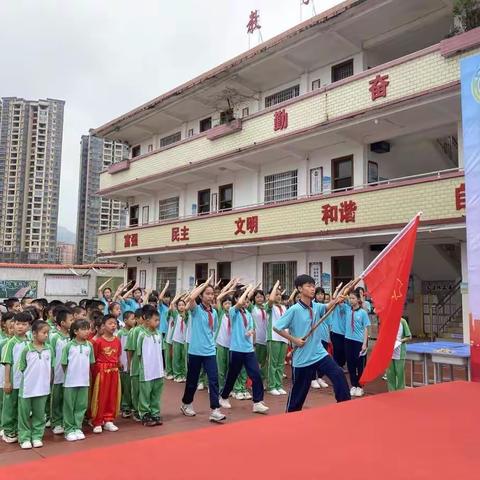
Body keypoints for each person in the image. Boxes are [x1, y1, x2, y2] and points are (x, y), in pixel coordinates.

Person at [273, 274, 351, 412]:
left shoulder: (315, 306)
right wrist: (295, 340)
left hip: (319, 353)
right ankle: (290, 417)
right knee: (299, 394)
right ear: (299, 289)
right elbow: (277, 327)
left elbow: (326, 307)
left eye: (313, 285)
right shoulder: (294, 310)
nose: (312, 288)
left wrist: (336, 300)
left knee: (338, 374)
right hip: (302, 358)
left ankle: (345, 407)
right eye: (309, 286)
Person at [180, 275, 226, 423]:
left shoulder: (214, 312)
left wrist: (213, 343)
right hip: (195, 351)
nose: (210, 296)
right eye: (207, 293)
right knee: (192, 381)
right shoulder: (196, 310)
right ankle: (186, 404)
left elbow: (213, 331)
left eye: (212, 294)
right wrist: (204, 283)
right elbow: (190, 299)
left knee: (213, 380)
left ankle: (215, 409)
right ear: (201, 295)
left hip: (210, 351)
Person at [219, 286, 269, 414]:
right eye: (244, 299)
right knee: (232, 375)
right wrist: (247, 290)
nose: (246, 302)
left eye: (248, 300)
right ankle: (224, 397)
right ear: (236, 299)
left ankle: (257, 402)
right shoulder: (233, 311)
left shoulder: (248, 313)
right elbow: (240, 303)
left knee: (256, 375)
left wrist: (251, 332)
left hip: (248, 350)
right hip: (236, 349)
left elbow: (252, 328)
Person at [17, 320, 53, 449]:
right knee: (24, 414)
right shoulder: (26, 350)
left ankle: (37, 436)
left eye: (48, 333)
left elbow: (51, 367)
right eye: (44, 333)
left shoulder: (49, 349)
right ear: (34, 334)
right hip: (27, 388)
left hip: (42, 388)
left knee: (40, 414)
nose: (46, 335)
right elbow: (22, 367)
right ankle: (24, 437)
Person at [62, 319, 95, 442]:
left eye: (88, 329)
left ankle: (77, 427)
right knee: (69, 406)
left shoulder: (89, 345)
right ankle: (69, 429)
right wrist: (70, 375)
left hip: (84, 381)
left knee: (81, 406)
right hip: (70, 382)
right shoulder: (69, 346)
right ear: (75, 331)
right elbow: (64, 364)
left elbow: (91, 363)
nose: (87, 332)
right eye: (84, 329)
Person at [1, 312, 30, 443]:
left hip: (26, 383)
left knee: (22, 408)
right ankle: (8, 430)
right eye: (18, 324)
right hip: (13, 381)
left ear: (29, 326)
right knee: (9, 406)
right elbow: (7, 363)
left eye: (24, 324)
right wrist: (7, 382)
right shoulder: (10, 343)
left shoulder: (30, 342)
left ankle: (19, 429)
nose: (20, 327)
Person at [90, 315, 121, 433]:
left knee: (112, 395)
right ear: (103, 326)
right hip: (102, 371)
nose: (113, 325)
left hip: (114, 371)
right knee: (100, 396)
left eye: (115, 323)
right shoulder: (98, 341)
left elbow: (117, 355)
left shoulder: (117, 340)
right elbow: (95, 358)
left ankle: (109, 419)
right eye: (110, 323)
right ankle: (97, 421)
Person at [136, 307, 164, 426]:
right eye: (155, 320)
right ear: (147, 321)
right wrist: (142, 367)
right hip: (147, 370)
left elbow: (161, 351)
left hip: (158, 370)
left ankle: (155, 413)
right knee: (145, 393)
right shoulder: (142, 335)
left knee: (156, 393)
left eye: (158, 320)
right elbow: (138, 354)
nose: (157, 323)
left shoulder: (159, 334)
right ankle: (144, 414)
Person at [50, 307, 74, 435]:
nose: (73, 321)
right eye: (71, 320)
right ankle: (56, 422)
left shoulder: (72, 337)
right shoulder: (55, 337)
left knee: (67, 399)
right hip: (58, 373)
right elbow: (51, 354)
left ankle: (66, 420)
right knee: (56, 399)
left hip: (70, 375)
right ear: (63, 323)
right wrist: (51, 372)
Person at [344, 291, 370, 397]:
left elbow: (366, 328)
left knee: (360, 365)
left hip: (359, 341)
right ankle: (353, 385)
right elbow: (337, 298)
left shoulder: (363, 313)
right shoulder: (347, 309)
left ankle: (360, 386)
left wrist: (364, 343)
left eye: (353, 298)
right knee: (350, 364)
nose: (351, 300)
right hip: (348, 340)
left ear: (358, 299)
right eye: (350, 298)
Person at [125, 307, 148, 422]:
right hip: (137, 366)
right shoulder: (135, 331)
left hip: (147, 366)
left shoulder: (149, 330)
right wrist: (129, 365)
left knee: (145, 389)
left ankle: (144, 409)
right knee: (136, 389)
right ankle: (135, 410)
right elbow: (130, 350)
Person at [266, 281, 289, 396]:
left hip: (284, 338)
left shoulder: (284, 307)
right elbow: (270, 300)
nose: (278, 296)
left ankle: (278, 385)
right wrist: (275, 287)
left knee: (280, 363)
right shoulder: (269, 306)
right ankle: (271, 386)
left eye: (280, 294)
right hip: (273, 337)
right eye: (276, 294)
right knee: (272, 363)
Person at [117, 311, 136, 418]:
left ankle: (131, 405)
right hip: (123, 363)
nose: (134, 321)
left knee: (131, 386)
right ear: (125, 321)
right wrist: (119, 361)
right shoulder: (121, 333)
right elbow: (118, 349)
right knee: (125, 386)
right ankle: (125, 407)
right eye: (132, 319)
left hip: (133, 363)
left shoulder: (135, 331)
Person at [386, 317, 412, 391]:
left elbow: (409, 336)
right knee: (390, 373)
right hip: (388, 350)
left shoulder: (402, 321)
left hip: (400, 350)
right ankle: (391, 391)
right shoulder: (387, 320)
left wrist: (400, 341)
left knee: (400, 372)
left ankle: (400, 391)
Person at [0, 312, 14, 437]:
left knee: (7, 401)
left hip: (10, 372)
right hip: (2, 370)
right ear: (4, 323)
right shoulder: (4, 340)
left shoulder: (15, 340)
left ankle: (8, 425)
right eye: (11, 321)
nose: (13, 323)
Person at [251, 290, 268, 383]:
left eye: (261, 296)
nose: (259, 298)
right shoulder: (252, 308)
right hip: (256, 339)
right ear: (254, 298)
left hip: (266, 338)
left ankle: (263, 380)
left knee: (264, 362)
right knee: (256, 362)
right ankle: (255, 381)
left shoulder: (267, 308)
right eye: (257, 297)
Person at [170, 298, 188, 383]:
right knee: (176, 358)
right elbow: (172, 303)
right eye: (179, 305)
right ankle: (177, 375)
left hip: (184, 339)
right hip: (176, 339)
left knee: (183, 358)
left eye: (183, 305)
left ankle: (183, 375)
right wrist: (180, 296)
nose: (181, 307)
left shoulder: (187, 315)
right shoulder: (175, 314)